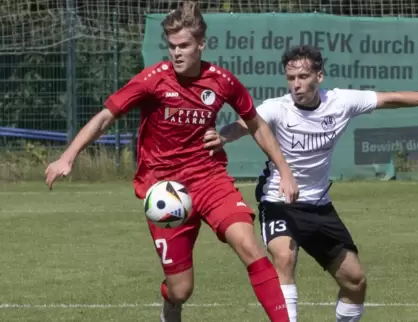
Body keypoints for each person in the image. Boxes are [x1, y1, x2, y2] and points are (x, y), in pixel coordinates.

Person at [44, 2, 299, 322]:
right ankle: (170, 305)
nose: (176, 53)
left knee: (251, 248)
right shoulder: (153, 80)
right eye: (172, 46)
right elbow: (106, 116)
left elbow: (256, 124)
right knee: (181, 290)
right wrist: (67, 157)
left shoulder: (222, 81)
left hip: (210, 178)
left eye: (184, 46)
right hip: (165, 190)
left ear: (201, 44)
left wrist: (285, 170)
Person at [203, 44, 418, 322]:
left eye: (303, 77)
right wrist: (224, 137)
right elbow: (245, 124)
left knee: (355, 281)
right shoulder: (277, 108)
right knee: (284, 258)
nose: (296, 85)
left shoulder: (341, 102)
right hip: (279, 202)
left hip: (319, 206)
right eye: (291, 78)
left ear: (319, 77)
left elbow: (392, 98)